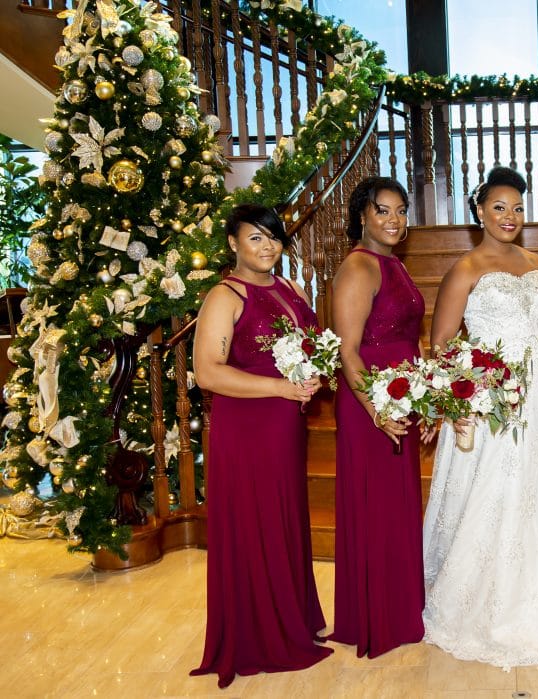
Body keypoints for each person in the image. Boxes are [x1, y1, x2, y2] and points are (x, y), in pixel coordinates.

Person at [422, 166, 538, 669]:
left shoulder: (536, 263)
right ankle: (477, 605)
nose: (510, 216)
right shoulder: (465, 269)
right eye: (499, 207)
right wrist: (460, 399)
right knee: (492, 494)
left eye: (518, 208)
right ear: (479, 211)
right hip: (490, 401)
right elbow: (440, 345)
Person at [191, 204, 332, 688]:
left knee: (282, 518)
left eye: (273, 238)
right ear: (232, 243)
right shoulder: (223, 296)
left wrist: (313, 374)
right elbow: (208, 372)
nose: (267, 246)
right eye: (255, 238)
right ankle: (258, 634)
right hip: (246, 427)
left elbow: (314, 347)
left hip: (286, 425)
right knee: (255, 521)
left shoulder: (289, 289)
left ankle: (290, 619)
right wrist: (279, 388)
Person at [328, 177, 426, 657]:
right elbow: (348, 351)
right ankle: (376, 616)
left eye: (401, 211)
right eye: (383, 210)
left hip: (400, 399)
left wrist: (423, 400)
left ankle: (399, 608)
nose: (394, 220)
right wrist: (379, 409)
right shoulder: (358, 267)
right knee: (376, 505)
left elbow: (412, 339)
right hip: (371, 404)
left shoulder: (394, 265)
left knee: (398, 506)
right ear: (362, 215)